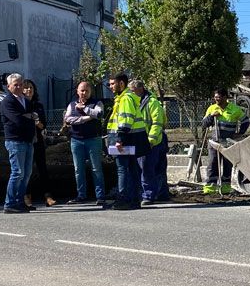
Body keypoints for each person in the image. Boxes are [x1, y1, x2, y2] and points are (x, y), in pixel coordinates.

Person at [106, 73, 147, 210]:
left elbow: (125, 120)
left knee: (123, 169)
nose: (110, 86)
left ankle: (123, 199)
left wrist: (120, 139)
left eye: (113, 83)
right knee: (132, 168)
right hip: (131, 139)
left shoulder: (125, 99)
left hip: (125, 139)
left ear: (121, 84)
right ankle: (134, 199)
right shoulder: (125, 98)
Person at [64, 81, 107, 205]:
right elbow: (68, 119)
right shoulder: (71, 105)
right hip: (76, 140)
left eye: (86, 90)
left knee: (96, 168)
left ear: (90, 92)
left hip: (93, 139)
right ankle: (81, 195)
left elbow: (99, 114)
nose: (84, 93)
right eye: (82, 90)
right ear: (77, 91)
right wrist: (86, 118)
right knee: (78, 169)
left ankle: (100, 196)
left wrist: (85, 109)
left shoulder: (97, 103)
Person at [0, 73, 36, 214]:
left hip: (27, 141)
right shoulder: (7, 102)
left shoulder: (26, 101)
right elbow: (18, 120)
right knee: (17, 172)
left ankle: (20, 201)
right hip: (15, 141)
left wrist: (29, 117)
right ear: (9, 86)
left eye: (21, 84)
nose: (19, 87)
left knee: (26, 173)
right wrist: (29, 118)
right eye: (16, 84)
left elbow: (32, 117)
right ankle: (9, 203)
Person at [130, 80, 170, 206]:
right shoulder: (135, 102)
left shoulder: (151, 103)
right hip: (142, 141)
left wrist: (151, 140)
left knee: (148, 169)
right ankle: (160, 193)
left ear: (140, 89)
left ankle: (148, 195)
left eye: (132, 90)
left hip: (152, 141)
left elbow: (157, 123)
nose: (130, 93)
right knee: (152, 169)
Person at [201, 88, 246, 195]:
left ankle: (225, 187)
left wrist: (240, 133)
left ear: (225, 97)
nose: (217, 99)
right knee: (212, 165)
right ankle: (210, 188)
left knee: (227, 166)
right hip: (214, 142)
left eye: (219, 97)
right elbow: (204, 124)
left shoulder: (234, 109)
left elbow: (245, 121)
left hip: (228, 143)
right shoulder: (212, 108)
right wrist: (212, 117)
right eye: (215, 97)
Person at [23, 79, 56, 207]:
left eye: (31, 87)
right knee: (27, 170)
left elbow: (43, 125)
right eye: (26, 88)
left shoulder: (38, 105)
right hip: (25, 141)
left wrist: (36, 122)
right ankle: (27, 196)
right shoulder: (21, 104)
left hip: (38, 141)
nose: (29, 90)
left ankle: (48, 196)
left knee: (42, 169)